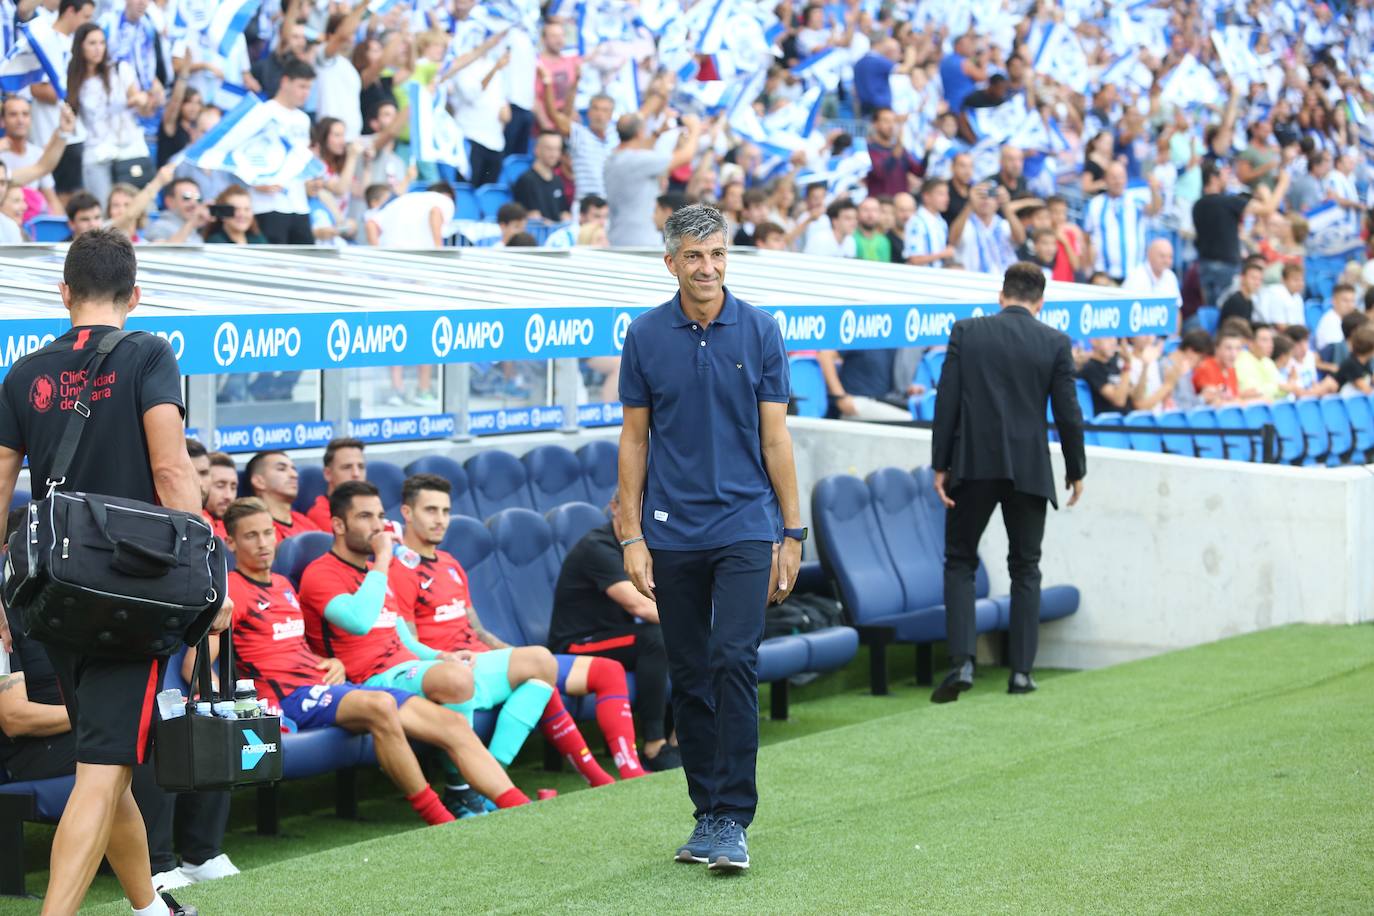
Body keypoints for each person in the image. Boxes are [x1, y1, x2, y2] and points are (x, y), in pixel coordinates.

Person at [0, 228, 219, 916]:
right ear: (135, 295)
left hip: (49, 593)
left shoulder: (21, 373)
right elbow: (170, 467)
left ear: (63, 293)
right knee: (104, 768)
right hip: (135, 590)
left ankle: (149, 908)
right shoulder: (151, 352)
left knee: (106, 757)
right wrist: (205, 576)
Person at [618, 204, 804, 872]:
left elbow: (776, 438)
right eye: (694, 256)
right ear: (671, 262)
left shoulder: (760, 330)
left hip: (747, 525)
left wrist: (792, 531)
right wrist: (632, 535)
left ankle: (733, 816)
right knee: (691, 673)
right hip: (671, 532)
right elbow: (634, 440)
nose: (708, 268)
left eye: (718, 255)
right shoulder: (643, 336)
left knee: (733, 659)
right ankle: (707, 814)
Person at [220, 497, 530, 821]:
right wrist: (234, 706)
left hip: (322, 686)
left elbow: (293, 644)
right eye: (250, 536)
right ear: (230, 542)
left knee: (452, 723)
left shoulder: (283, 585)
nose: (263, 543)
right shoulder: (236, 591)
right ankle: (439, 818)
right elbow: (200, 662)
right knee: (381, 705)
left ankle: (517, 806)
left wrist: (329, 659)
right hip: (286, 698)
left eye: (268, 533)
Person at [388, 474, 654, 784]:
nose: (441, 520)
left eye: (446, 511)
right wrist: (445, 658)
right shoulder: (399, 570)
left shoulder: (450, 564)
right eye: (430, 510)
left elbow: (478, 631)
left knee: (606, 671)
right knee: (538, 675)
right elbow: (407, 643)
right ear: (407, 513)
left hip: (485, 659)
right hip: (451, 668)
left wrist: (515, 655)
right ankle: (562, 775)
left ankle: (626, 768)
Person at [930, 262, 1086, 702]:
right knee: (1026, 568)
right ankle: (1021, 673)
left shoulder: (966, 332)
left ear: (1001, 295)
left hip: (973, 464)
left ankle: (962, 661)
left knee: (960, 561)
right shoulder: (1055, 341)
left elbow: (946, 401)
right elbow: (1068, 415)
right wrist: (1076, 470)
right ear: (1040, 303)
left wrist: (939, 464)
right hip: (1029, 469)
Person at [549, 494, 677, 771]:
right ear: (615, 507)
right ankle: (654, 745)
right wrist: (693, 624)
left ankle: (681, 740)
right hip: (576, 646)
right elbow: (639, 605)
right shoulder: (598, 546)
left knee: (675, 637)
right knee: (657, 638)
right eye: (632, 509)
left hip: (614, 638)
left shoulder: (648, 547)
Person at [66, 21, 159, 208]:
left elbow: (140, 102)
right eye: (92, 43)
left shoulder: (119, 70)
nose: (98, 48)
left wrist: (141, 99)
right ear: (80, 46)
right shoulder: (72, 79)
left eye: (101, 42)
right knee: (103, 210)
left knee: (141, 207)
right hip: (96, 152)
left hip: (128, 149)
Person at [1193, 162, 1288, 308]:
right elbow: (1268, 209)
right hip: (1227, 268)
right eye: (1224, 175)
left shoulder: (1197, 206)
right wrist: (1283, 183)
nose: (1227, 179)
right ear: (1213, 178)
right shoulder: (1228, 202)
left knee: (1210, 313)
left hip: (1204, 267)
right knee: (1228, 314)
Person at [604, 112, 702, 247]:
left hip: (616, 236)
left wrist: (658, 133)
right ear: (640, 133)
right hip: (640, 241)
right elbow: (686, 156)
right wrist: (696, 129)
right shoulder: (637, 161)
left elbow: (638, 151)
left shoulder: (611, 160)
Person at [250, 57, 316, 244]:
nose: (305, 93)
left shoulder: (304, 119)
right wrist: (255, 182)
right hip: (269, 202)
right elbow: (242, 152)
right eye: (301, 86)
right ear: (285, 81)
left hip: (298, 202)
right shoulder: (263, 113)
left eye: (309, 88)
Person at [1082, 164, 1161, 282]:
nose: (1118, 181)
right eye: (1113, 177)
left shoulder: (1135, 199)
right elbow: (1086, 238)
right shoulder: (1095, 204)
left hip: (1133, 274)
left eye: (1121, 177)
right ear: (1105, 180)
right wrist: (1088, 268)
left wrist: (1154, 191)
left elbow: (1154, 210)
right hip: (1104, 275)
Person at [245, 449, 321, 541]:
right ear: (259, 481)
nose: (294, 475)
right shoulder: (254, 527)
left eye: (294, 469)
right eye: (281, 469)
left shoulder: (304, 521)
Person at [512, 132, 569, 221]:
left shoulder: (558, 180)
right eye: (549, 149)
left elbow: (563, 212)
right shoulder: (526, 180)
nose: (554, 154)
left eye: (557, 149)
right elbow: (531, 217)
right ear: (536, 150)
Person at [1311, 324, 1374, 395]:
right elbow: (1365, 388)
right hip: (1335, 398)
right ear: (1370, 349)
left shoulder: (1366, 362)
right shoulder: (1351, 363)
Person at [143, 177, 207, 245]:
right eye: (186, 198)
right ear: (170, 201)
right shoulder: (159, 226)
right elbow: (162, 252)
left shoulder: (192, 227)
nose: (194, 203)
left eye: (198, 199)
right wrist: (191, 223)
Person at [904, 180, 954, 267]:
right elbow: (914, 259)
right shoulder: (916, 222)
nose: (947, 199)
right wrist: (943, 254)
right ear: (926, 196)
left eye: (947, 194)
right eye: (941, 194)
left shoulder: (942, 222)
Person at [1077, 337, 1131, 416]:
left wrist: (1145, 366)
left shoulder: (1113, 364)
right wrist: (1127, 365)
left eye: (1114, 337)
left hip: (1124, 422)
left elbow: (1135, 398)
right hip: (1106, 425)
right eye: (1108, 338)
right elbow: (1119, 401)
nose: (1113, 342)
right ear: (1093, 341)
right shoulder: (1091, 368)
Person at [1193, 327, 1246, 403]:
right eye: (1228, 348)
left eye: (1238, 349)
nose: (1234, 354)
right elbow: (1212, 402)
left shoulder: (1231, 369)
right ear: (1217, 348)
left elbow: (1233, 398)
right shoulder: (1205, 367)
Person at [1123, 239, 1180, 307]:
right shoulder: (1136, 277)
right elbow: (1126, 308)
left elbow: (1177, 309)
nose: (1167, 261)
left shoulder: (1171, 276)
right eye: (1162, 256)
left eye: (1170, 257)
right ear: (1149, 255)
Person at [1254, 262, 1306, 331]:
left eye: (1301, 280)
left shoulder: (1298, 297)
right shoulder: (1276, 293)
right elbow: (1280, 326)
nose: (1300, 283)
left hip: (1291, 335)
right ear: (1283, 280)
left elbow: (1301, 324)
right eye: (1296, 280)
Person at [1219, 258, 1266, 327]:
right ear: (1242, 278)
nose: (1257, 283)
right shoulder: (1235, 301)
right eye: (1253, 278)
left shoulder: (1249, 301)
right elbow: (1234, 328)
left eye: (1260, 280)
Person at [1315, 283, 1358, 351]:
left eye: (1352, 301)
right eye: (1345, 301)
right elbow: (1337, 351)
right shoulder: (1330, 321)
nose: (1350, 305)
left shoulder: (1346, 320)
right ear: (1334, 301)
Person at [852, 196, 892, 262]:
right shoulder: (851, 238)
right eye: (866, 210)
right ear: (857, 213)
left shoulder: (884, 241)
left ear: (879, 214)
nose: (870, 215)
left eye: (874, 210)